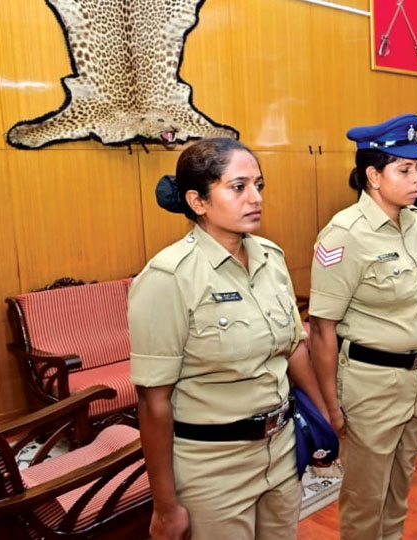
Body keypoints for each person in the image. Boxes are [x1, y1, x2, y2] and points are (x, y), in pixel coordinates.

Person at [130, 137, 328, 540]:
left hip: (281, 448)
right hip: (213, 466)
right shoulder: (168, 277)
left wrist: (322, 422)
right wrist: (165, 507)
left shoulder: (270, 258)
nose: (255, 198)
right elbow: (154, 403)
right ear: (198, 201)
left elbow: (293, 348)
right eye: (238, 187)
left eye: (259, 185)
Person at [308, 114, 417, 540]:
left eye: (416, 167)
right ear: (373, 176)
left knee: (400, 488)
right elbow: (321, 329)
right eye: (404, 169)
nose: (416, 177)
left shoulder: (414, 220)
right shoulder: (344, 235)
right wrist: (331, 406)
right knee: (365, 499)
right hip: (371, 384)